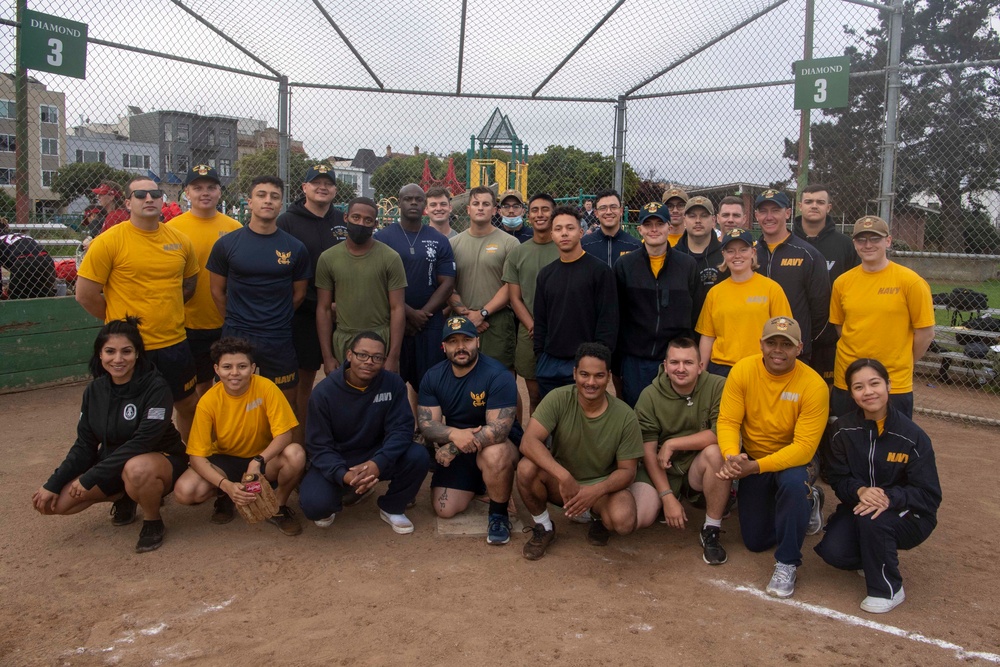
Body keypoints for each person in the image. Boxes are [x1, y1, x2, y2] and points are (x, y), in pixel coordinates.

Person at [31, 318, 188, 553]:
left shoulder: (156, 387)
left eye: (126, 351)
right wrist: (53, 484)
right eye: (110, 352)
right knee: (54, 505)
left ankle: (152, 520)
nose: (118, 359)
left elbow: (143, 442)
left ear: (137, 354)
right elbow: (84, 444)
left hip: (159, 459)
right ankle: (124, 495)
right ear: (100, 355)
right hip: (114, 462)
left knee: (136, 469)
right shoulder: (94, 391)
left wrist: (90, 477)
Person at [76, 176, 200, 441]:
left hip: (174, 343)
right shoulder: (108, 242)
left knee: (188, 405)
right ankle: (132, 468)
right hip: (133, 349)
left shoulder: (180, 240)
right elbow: (85, 295)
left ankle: (190, 462)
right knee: (132, 411)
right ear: (128, 202)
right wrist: (119, 326)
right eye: (141, 195)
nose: (149, 199)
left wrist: (169, 309)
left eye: (155, 194)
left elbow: (190, 283)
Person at [814, 358, 941, 614]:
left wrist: (888, 498)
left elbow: (928, 494)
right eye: (859, 387)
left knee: (874, 518)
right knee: (833, 552)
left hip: (911, 514)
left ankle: (889, 589)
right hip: (860, 507)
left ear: (889, 385)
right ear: (851, 393)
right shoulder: (842, 429)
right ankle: (872, 555)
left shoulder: (912, 436)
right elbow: (838, 478)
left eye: (875, 383)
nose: (868, 392)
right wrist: (860, 491)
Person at [716, 317, 830, 598]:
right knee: (755, 541)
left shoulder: (813, 385)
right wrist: (732, 457)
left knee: (792, 485)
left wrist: (754, 468)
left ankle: (787, 562)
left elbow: (804, 447)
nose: (778, 350)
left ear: (799, 348)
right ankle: (806, 503)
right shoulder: (743, 370)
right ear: (761, 345)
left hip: (795, 460)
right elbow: (728, 421)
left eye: (786, 344)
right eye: (772, 343)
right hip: (754, 458)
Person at [517, 343, 643, 559]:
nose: (591, 382)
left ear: (609, 377)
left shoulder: (625, 415)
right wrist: (563, 475)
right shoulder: (559, 398)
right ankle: (544, 527)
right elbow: (528, 442)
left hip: (602, 488)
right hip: (564, 486)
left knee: (623, 521)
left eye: (599, 376)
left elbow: (627, 471)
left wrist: (595, 491)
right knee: (526, 468)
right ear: (575, 373)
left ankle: (598, 517)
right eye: (584, 374)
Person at [172, 337, 307, 536]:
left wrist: (258, 460)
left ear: (253, 368)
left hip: (262, 458)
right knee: (185, 491)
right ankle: (227, 496)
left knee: (295, 454)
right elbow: (196, 456)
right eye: (227, 367)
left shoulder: (267, 388)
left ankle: (278, 506)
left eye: (242, 366)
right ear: (216, 369)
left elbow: (285, 434)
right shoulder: (208, 400)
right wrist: (225, 485)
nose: (234, 373)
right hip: (225, 460)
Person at [300, 331, 429, 534]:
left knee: (418, 455)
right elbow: (318, 446)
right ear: (349, 355)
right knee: (315, 505)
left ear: (384, 361)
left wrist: (378, 463)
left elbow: (401, 429)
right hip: (338, 457)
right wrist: (345, 475)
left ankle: (392, 506)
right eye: (363, 355)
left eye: (377, 357)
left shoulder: (393, 384)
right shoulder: (324, 393)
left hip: (376, 454)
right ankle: (340, 496)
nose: (369, 361)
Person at [207, 175, 311, 406]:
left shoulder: (295, 248)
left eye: (275, 197)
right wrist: (237, 320)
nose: (268, 201)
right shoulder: (227, 244)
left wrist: (274, 317)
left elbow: (299, 294)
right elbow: (217, 292)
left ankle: (284, 444)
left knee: (284, 404)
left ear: (281, 204)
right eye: (261, 195)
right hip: (236, 334)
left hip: (278, 337)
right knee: (232, 404)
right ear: (249, 202)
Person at [417, 316, 520, 545]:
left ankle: (498, 513)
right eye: (453, 341)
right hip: (460, 440)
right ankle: (483, 483)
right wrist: (454, 435)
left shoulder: (497, 374)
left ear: (478, 342)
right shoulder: (433, 376)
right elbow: (426, 424)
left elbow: (499, 431)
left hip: (497, 444)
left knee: (494, 454)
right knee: (444, 508)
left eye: (467, 339)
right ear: (444, 347)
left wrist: (454, 447)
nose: (460, 347)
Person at [630, 338, 730, 565]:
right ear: (665, 365)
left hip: (696, 465)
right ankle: (668, 498)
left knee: (717, 452)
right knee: (637, 518)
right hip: (661, 466)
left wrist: (672, 444)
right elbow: (647, 451)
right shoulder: (650, 395)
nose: (681, 369)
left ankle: (711, 529)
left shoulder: (718, 386)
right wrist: (666, 497)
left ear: (701, 366)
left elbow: (720, 434)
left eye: (688, 362)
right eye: (674, 362)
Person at [829, 216, 935, 419]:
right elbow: (840, 327)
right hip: (848, 378)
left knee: (891, 444)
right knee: (847, 442)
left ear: (888, 241)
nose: (868, 245)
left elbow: (925, 332)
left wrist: (903, 359)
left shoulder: (910, 282)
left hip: (893, 381)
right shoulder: (842, 282)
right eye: (861, 240)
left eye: (875, 239)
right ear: (854, 244)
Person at [277, 163, 348, 440]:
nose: (323, 187)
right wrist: (314, 303)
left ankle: (337, 440)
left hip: (341, 313)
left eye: (328, 183)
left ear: (334, 189)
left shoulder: (342, 220)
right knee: (302, 382)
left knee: (343, 378)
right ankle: (300, 445)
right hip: (303, 313)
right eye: (316, 182)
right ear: (304, 188)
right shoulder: (288, 221)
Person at [167, 165, 242, 397]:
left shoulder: (235, 228)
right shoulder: (171, 229)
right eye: (197, 188)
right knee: (196, 390)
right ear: (186, 193)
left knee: (230, 386)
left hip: (226, 320)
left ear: (220, 192)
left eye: (211, 187)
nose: (205, 193)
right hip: (187, 323)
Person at [614, 202, 698, 407]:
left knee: (673, 417)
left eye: (659, 224)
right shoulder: (625, 265)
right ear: (639, 229)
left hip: (674, 359)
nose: (654, 229)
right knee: (637, 416)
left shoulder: (687, 265)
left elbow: (696, 313)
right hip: (636, 359)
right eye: (648, 224)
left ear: (669, 227)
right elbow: (616, 313)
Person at [375, 183, 456, 395]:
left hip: (429, 324)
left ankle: (428, 427)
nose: (413, 202)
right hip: (391, 320)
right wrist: (408, 313)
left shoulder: (439, 240)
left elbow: (447, 282)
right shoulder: (382, 239)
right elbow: (377, 282)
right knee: (391, 383)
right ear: (399, 203)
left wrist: (423, 315)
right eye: (408, 198)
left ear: (425, 206)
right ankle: (397, 427)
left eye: (418, 199)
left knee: (430, 384)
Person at [315, 196, 407, 373]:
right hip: (344, 342)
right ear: (346, 218)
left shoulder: (390, 258)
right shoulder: (328, 258)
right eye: (356, 217)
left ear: (375, 224)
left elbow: (397, 308)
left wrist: (393, 357)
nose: (361, 223)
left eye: (368, 220)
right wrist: (327, 357)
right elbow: (324, 309)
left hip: (380, 340)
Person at [534, 206, 618, 398]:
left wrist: (597, 361)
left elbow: (608, 321)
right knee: (554, 421)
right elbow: (540, 320)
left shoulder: (600, 272)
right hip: (550, 363)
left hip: (585, 364)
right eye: (558, 229)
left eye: (570, 228)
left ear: (581, 232)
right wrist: (540, 356)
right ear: (552, 234)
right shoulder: (546, 274)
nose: (564, 233)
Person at [695, 229, 791, 377]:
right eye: (731, 251)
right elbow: (708, 336)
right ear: (724, 255)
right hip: (721, 369)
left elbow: (784, 333)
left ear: (753, 252)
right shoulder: (715, 293)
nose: (737, 256)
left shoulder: (772, 289)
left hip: (759, 367)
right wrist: (701, 371)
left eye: (743, 250)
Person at [753, 189, 831, 366]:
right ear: (756, 215)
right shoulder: (750, 254)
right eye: (763, 211)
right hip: (755, 351)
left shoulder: (808, 255)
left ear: (788, 213)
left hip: (794, 353)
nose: (769, 217)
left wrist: (802, 344)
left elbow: (821, 310)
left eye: (776, 210)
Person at [792, 184, 858, 387]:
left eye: (820, 202)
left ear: (829, 207)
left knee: (828, 393)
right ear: (800, 206)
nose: (814, 206)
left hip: (830, 336)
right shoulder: (786, 241)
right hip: (792, 333)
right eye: (809, 202)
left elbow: (856, 286)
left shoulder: (844, 244)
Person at [448, 186, 520, 370]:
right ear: (468, 209)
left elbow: (510, 285)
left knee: (501, 378)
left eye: (486, 204)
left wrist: (482, 314)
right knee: (462, 376)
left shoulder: (510, 243)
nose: (480, 208)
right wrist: (467, 316)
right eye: (476, 203)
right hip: (461, 321)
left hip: (496, 323)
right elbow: (447, 284)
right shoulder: (452, 244)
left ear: (494, 210)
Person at [502, 193, 559, 416]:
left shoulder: (565, 248)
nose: (540, 214)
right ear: (529, 215)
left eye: (545, 209)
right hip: (530, 332)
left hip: (562, 329)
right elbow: (515, 297)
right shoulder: (519, 252)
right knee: (534, 394)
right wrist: (532, 325)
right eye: (535, 210)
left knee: (562, 394)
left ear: (554, 213)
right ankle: (535, 443)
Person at [675, 196, 726, 315]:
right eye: (692, 216)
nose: (698, 220)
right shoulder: (673, 255)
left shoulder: (725, 255)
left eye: (704, 215)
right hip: (682, 328)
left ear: (713, 220)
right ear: (684, 220)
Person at [581, 189, 641, 267]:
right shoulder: (584, 245)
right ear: (596, 213)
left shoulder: (635, 246)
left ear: (621, 211)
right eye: (603, 208)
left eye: (613, 207)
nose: (609, 212)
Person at [0, 218, 56, 298]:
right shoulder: (19, 235)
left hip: (23, 262)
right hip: (46, 261)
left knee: (16, 302)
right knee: (43, 298)